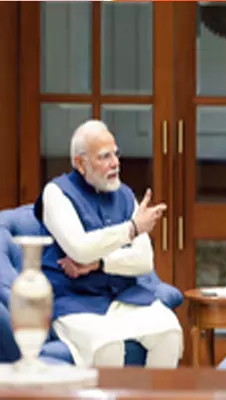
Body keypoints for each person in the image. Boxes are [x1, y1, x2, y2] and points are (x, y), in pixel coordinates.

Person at [32, 119, 183, 368]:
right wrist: (132, 229)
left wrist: (99, 264)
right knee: (107, 347)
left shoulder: (123, 194)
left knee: (169, 333)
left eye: (116, 153)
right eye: (104, 157)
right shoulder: (56, 194)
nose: (115, 163)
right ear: (80, 163)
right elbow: (79, 248)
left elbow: (145, 261)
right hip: (75, 303)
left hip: (124, 298)